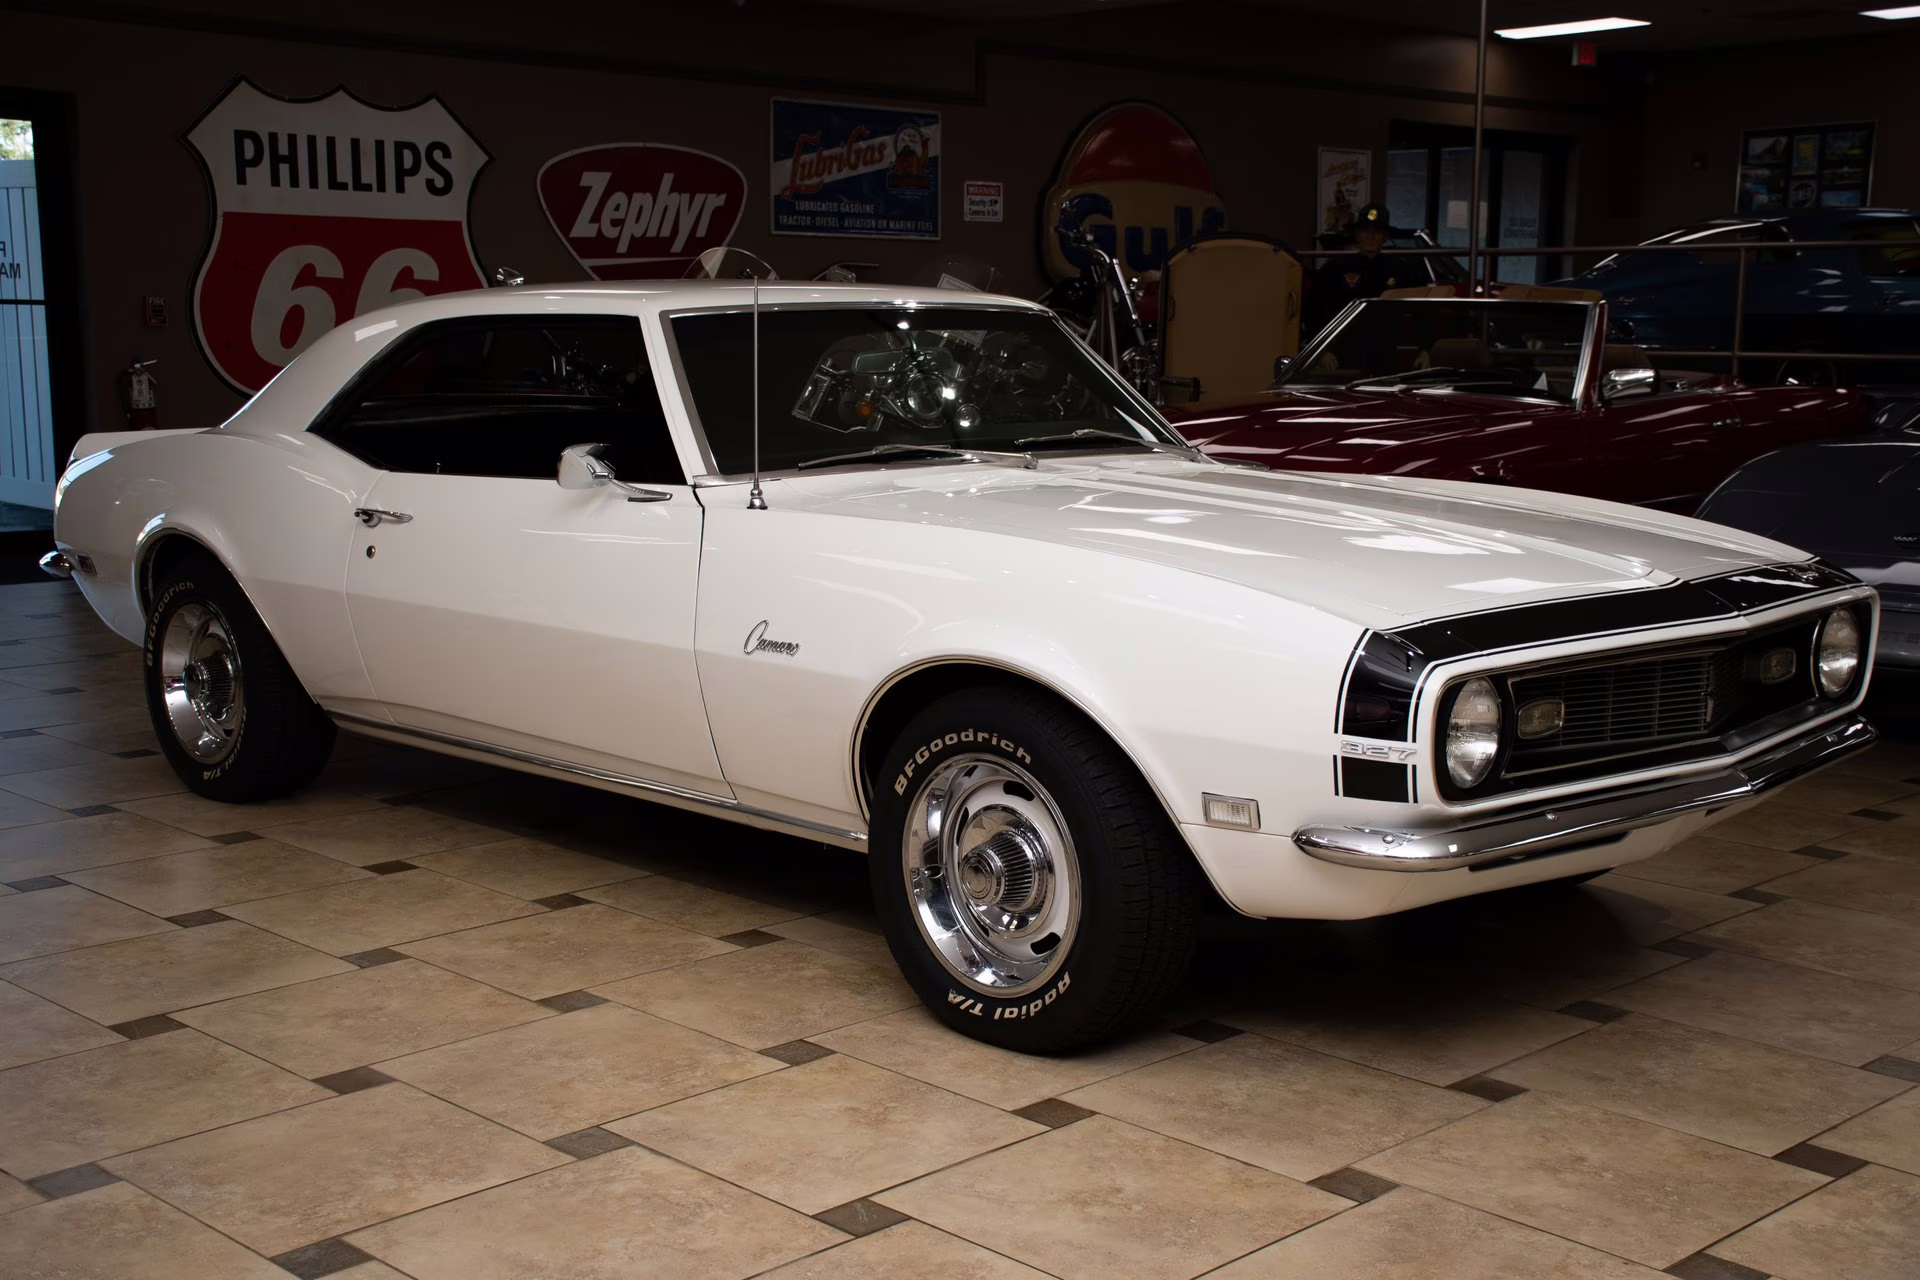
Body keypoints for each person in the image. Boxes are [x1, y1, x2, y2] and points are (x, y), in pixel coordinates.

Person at [1308, 203, 1402, 335]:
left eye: (1377, 231)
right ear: (1357, 234)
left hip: (1384, 342)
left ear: (1385, 236)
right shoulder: (1335, 267)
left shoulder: (1398, 269)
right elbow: (1314, 308)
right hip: (1342, 341)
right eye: (1365, 230)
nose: (1371, 236)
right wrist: (1322, 349)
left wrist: (1424, 349)